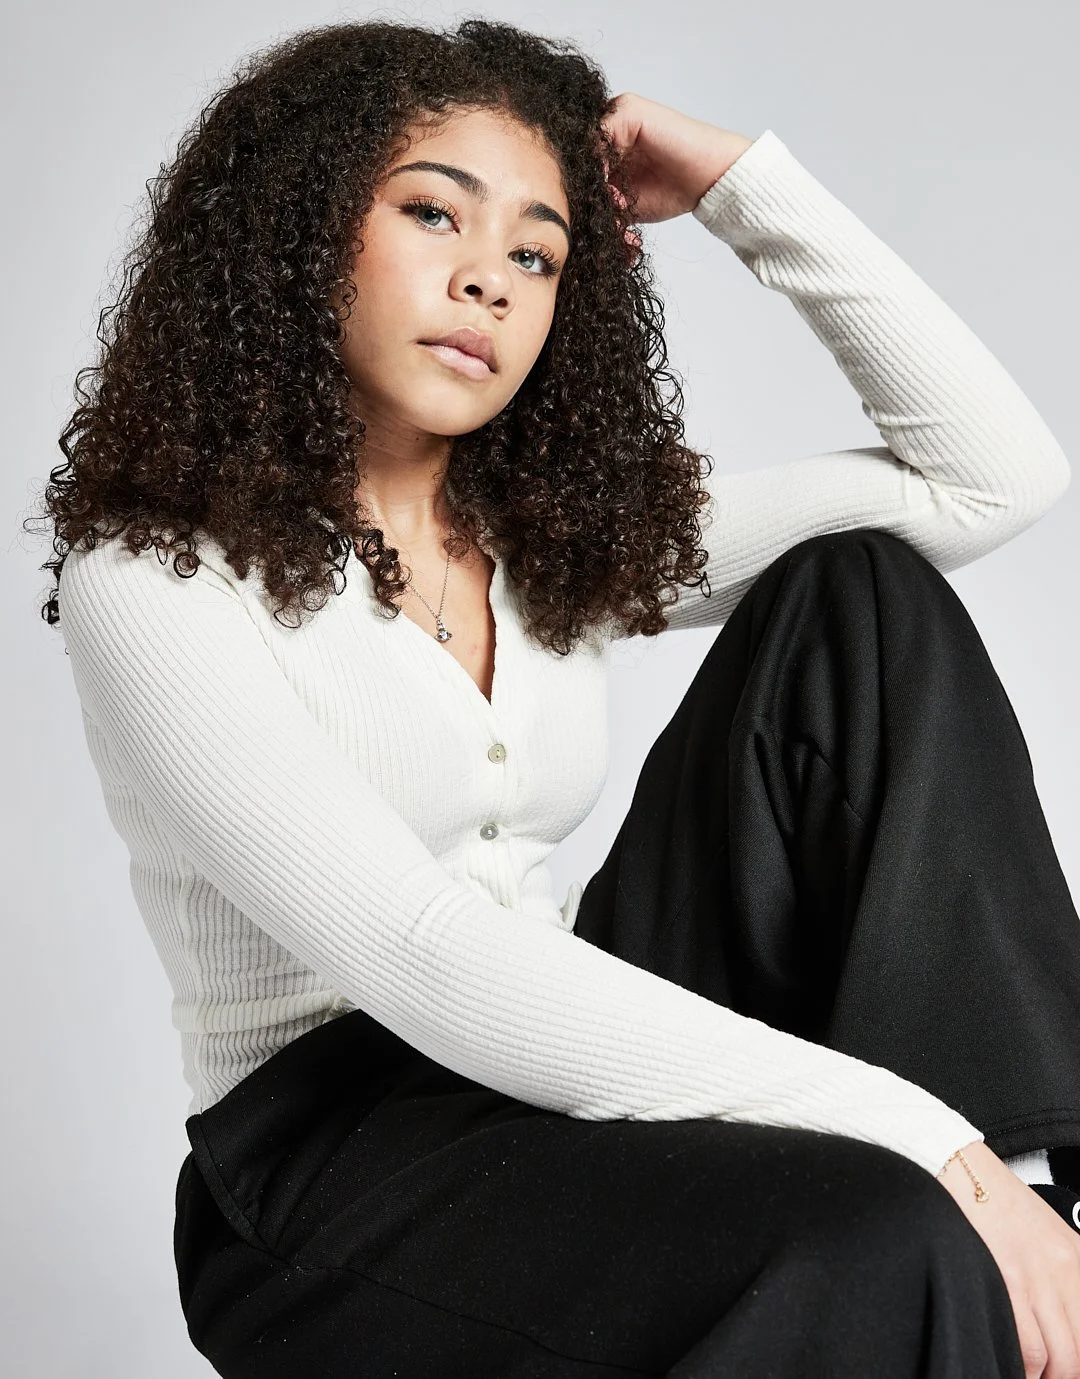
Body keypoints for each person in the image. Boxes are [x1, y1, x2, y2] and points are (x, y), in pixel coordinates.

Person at [33, 16, 1080, 1378]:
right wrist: (913, 1133)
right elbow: (419, 949)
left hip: (570, 1048)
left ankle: (1046, 1185)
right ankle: (987, 1196)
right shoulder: (160, 574)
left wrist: (737, 188)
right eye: (432, 213)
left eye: (537, 251)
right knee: (887, 1227)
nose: (491, 283)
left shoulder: (551, 534)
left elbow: (986, 478)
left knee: (862, 597)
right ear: (298, 227)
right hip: (330, 1162)